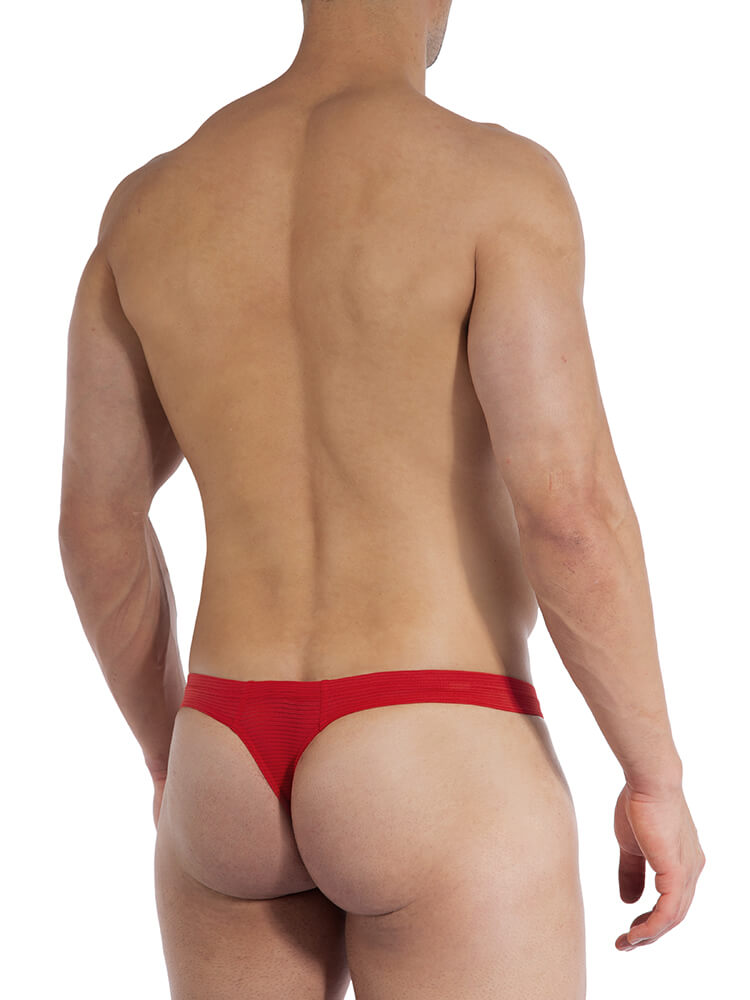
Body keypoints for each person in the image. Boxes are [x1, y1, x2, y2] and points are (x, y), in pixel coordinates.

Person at [58, 1, 705, 996]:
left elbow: (96, 526)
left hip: (223, 751)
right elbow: (570, 510)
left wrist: (166, 753)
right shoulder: (495, 181)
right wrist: (654, 776)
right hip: (436, 744)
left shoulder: (149, 204)